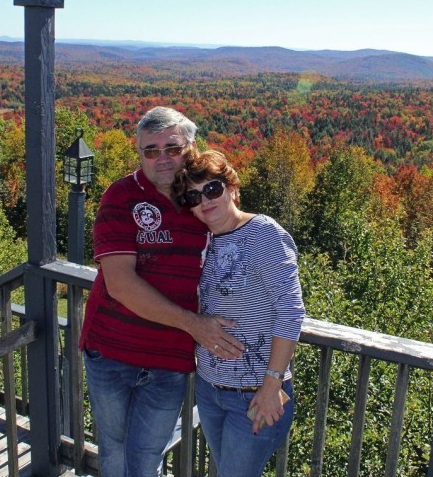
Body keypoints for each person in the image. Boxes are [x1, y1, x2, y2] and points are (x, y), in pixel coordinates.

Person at [79, 107, 244, 477]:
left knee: (147, 458)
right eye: (150, 151)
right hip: (112, 351)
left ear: (191, 148)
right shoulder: (121, 197)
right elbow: (120, 284)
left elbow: (235, 253)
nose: (162, 159)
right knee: (114, 454)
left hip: (170, 359)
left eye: (172, 148)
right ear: (139, 155)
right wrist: (196, 325)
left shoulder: (204, 200)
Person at [172, 150, 305, 477]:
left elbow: (291, 311)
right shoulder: (205, 241)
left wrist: (272, 385)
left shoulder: (263, 234)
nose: (205, 200)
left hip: (255, 396)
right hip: (210, 389)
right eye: (194, 195)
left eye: (212, 189)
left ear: (232, 188)